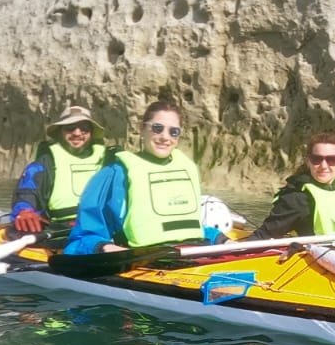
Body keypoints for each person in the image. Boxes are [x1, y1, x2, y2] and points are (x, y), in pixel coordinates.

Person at [63, 100, 225, 254]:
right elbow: (84, 236)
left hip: (189, 253)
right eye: (157, 128)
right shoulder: (115, 173)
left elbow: (189, 226)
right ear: (142, 128)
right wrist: (104, 246)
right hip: (141, 257)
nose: (165, 137)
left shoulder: (187, 168)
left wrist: (218, 238)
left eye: (173, 132)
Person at [9, 104, 108, 239]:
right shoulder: (45, 162)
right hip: (60, 229)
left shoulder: (108, 159)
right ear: (60, 132)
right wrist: (24, 210)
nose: (77, 133)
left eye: (84, 128)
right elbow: (27, 191)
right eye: (70, 128)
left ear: (91, 132)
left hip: (101, 227)